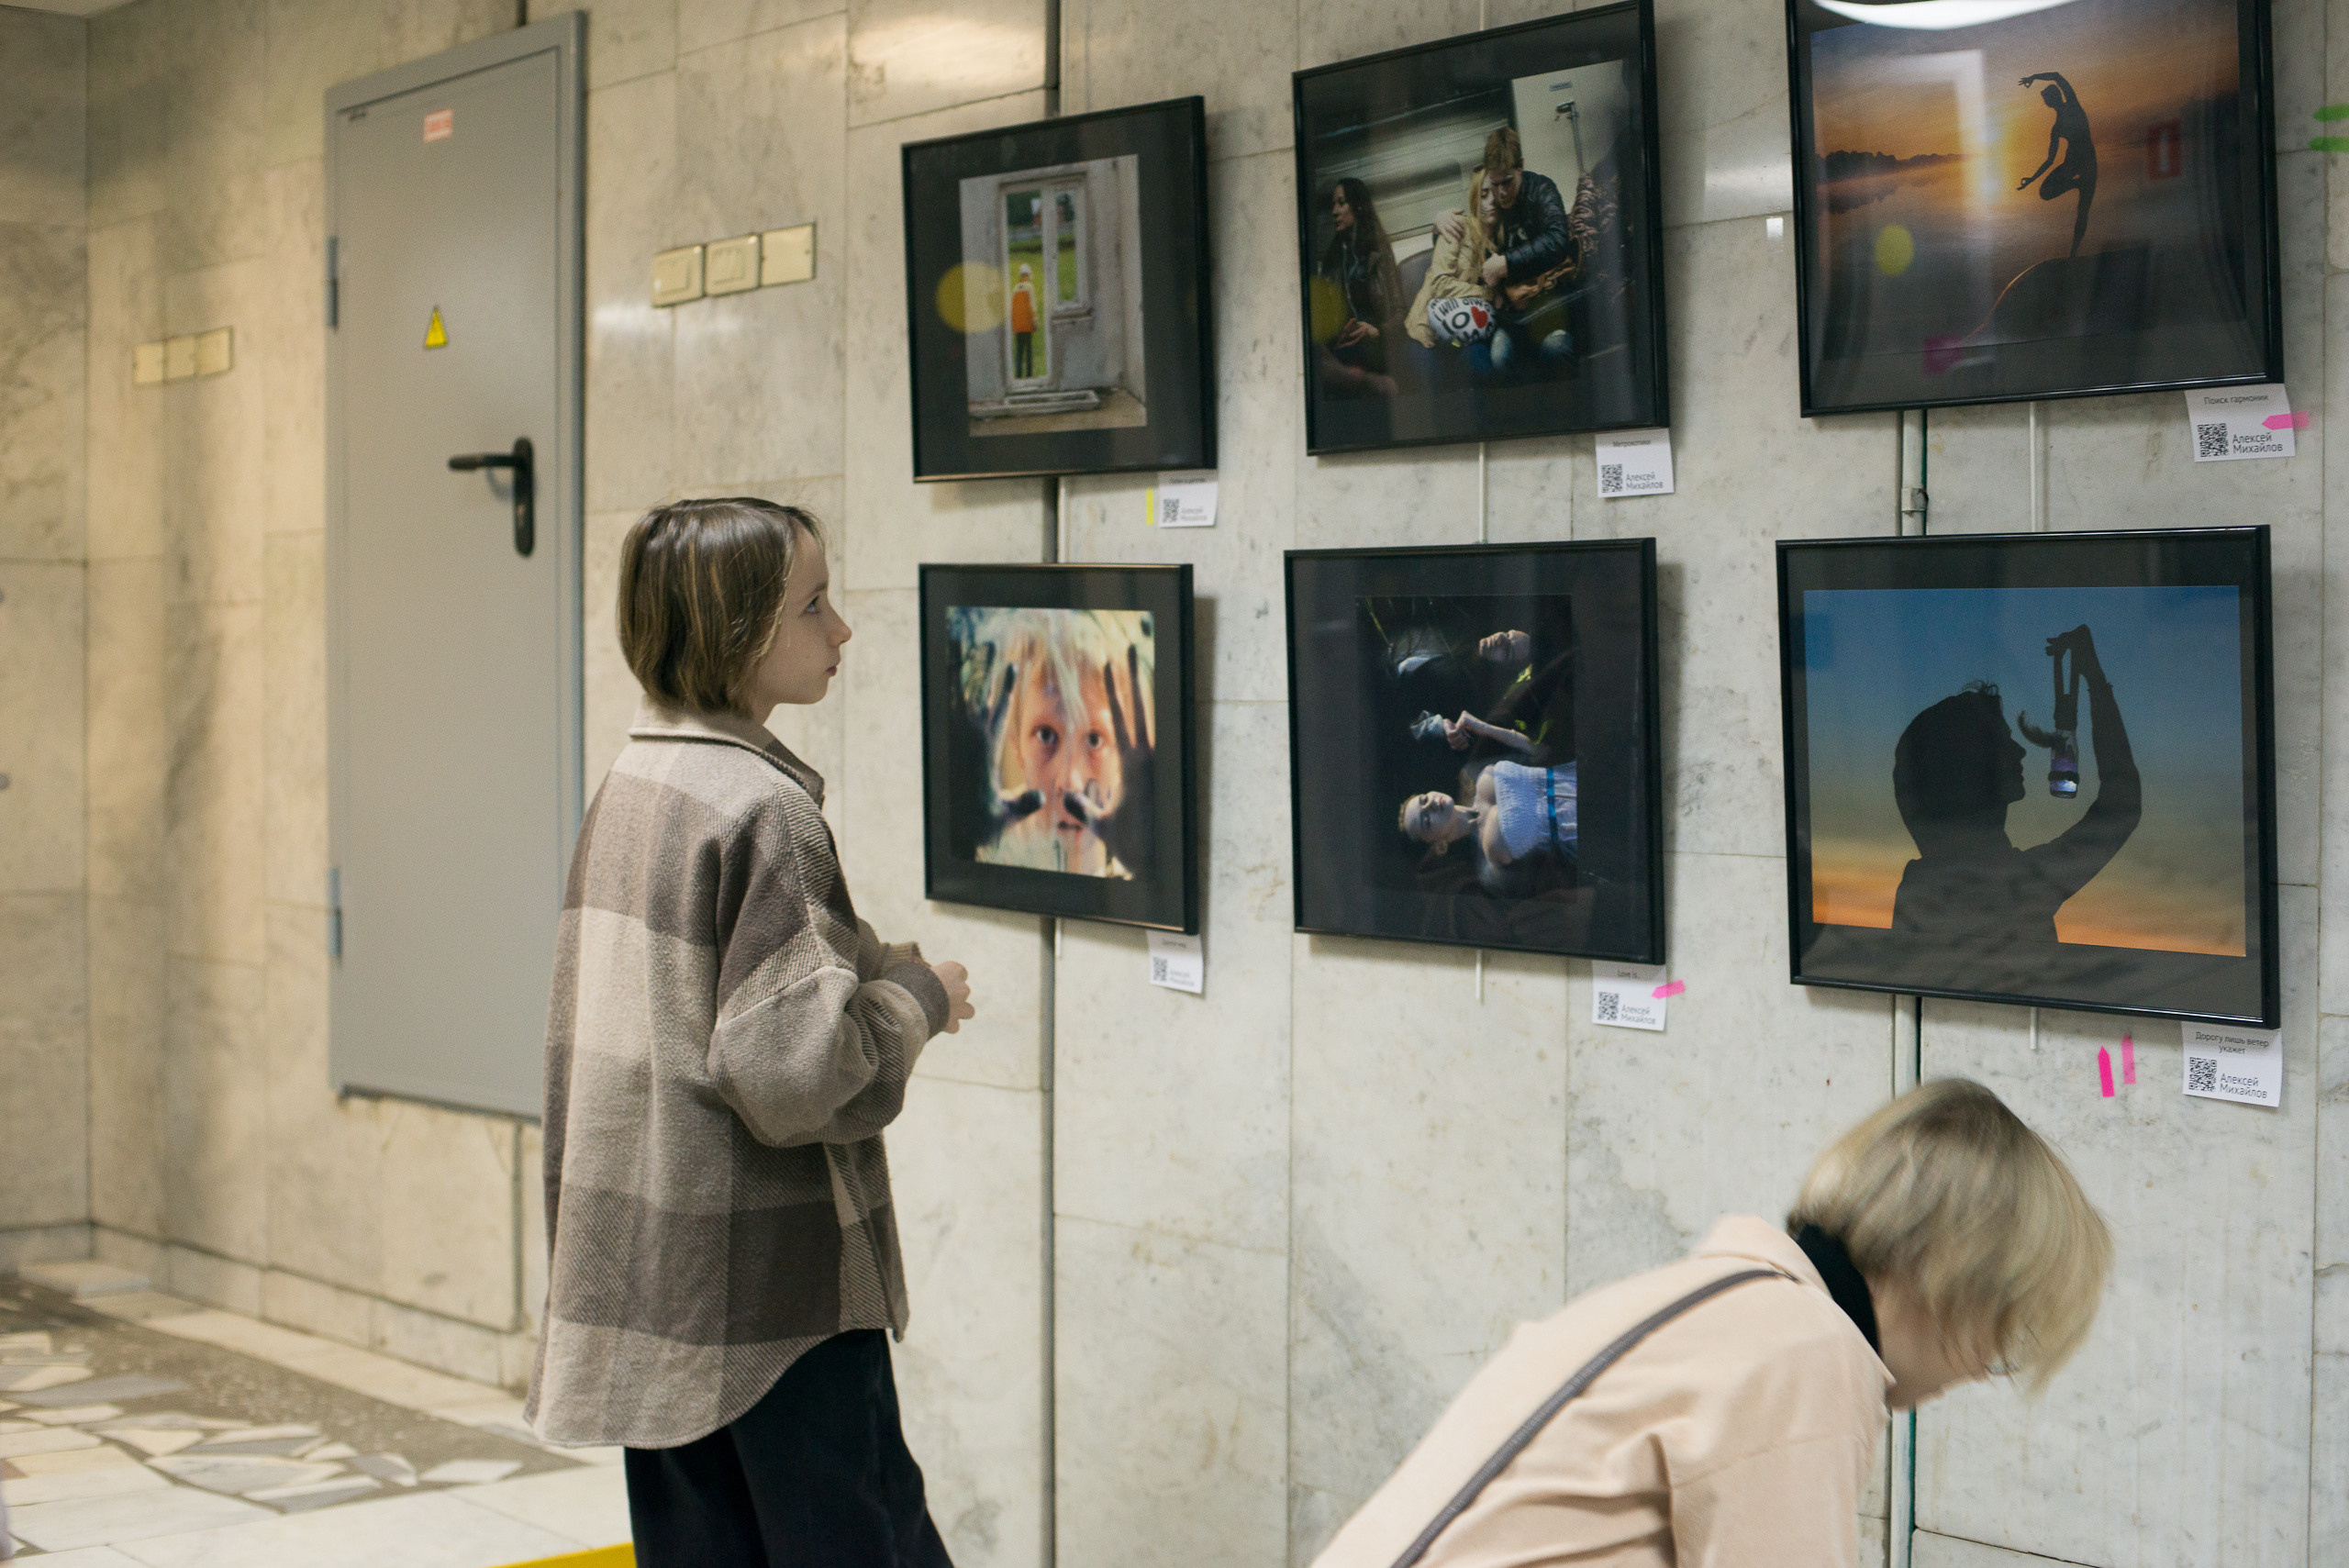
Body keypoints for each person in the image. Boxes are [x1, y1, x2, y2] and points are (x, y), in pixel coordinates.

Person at [529, 496, 978, 1568]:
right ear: (738, 631)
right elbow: (793, 1076)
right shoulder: (766, 810)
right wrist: (921, 1001)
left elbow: (709, 995)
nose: (842, 629)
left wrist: (873, 962)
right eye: (812, 604)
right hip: (771, 1294)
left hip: (647, 1276)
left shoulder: (638, 778)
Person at [1312, 1078, 2111, 1568]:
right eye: (2004, 1334)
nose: (1982, 1369)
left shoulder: (1728, 1303)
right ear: (1954, 1278)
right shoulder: (1808, 1356)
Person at [1890, 626, 2139, 954]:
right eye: (2004, 742)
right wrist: (2095, 681)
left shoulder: (1919, 890)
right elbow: (2121, 805)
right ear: (1972, 766)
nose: (2020, 752)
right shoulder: (2015, 886)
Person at [1465, 127, 1576, 374]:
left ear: (1520, 167)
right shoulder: (1495, 205)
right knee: (1498, 355)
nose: (1502, 192)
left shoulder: (1542, 190)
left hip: (1552, 306)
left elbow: (1559, 239)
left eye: (1508, 182)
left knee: (1554, 348)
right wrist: (1440, 224)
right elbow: (1473, 233)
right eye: (1495, 184)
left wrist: (1507, 263)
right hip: (1515, 318)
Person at [1319, 176, 1404, 395]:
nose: (1334, 211)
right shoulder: (1332, 260)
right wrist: (1338, 333)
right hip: (1347, 344)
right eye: (1333, 205)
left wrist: (1375, 330)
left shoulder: (1378, 252)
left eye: (1341, 202)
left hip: (1377, 340)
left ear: (1356, 206)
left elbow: (1399, 312)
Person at [2017, 72, 2097, 259]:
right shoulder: (2057, 126)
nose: (2046, 101)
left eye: (2046, 97)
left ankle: (2073, 255)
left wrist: (2034, 78)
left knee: (2082, 211)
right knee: (2045, 192)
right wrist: (2031, 180)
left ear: (2052, 99)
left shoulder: (2072, 104)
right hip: (2072, 164)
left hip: (2086, 164)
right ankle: (2077, 184)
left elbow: (2057, 76)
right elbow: (2050, 160)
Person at [1010, 261, 1039, 379]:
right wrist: (1035, 322)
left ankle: (1018, 375)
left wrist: (1013, 325)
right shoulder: (1030, 287)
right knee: (1028, 349)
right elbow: (1033, 306)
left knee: (1019, 351)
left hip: (1017, 325)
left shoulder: (1015, 288)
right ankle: (1029, 375)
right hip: (1027, 324)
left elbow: (1012, 308)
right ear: (1027, 275)